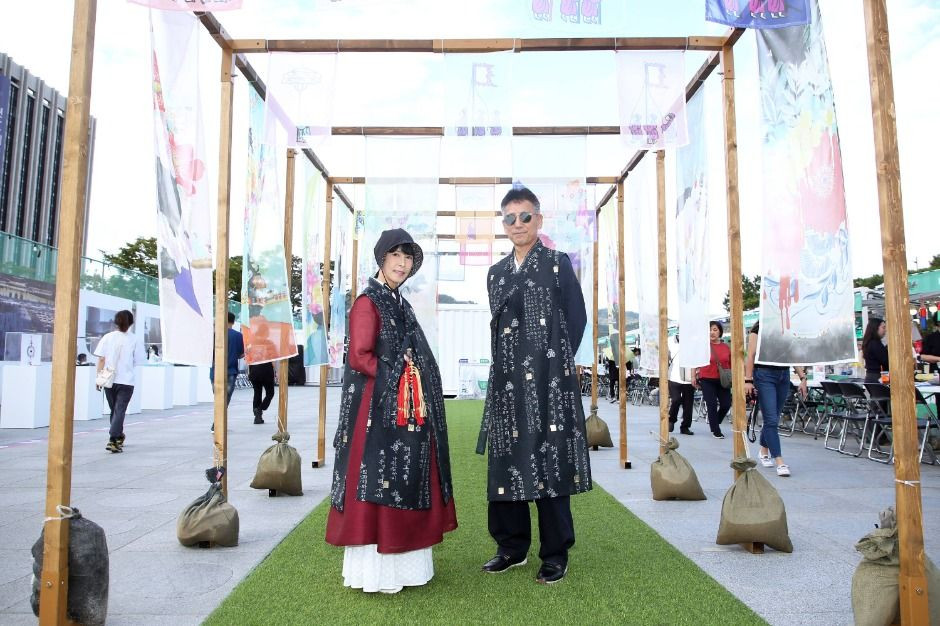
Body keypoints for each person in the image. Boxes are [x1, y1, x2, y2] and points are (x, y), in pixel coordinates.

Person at [326, 229, 456, 594]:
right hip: (378, 410)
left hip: (405, 409)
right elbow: (360, 356)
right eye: (395, 255)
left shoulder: (399, 303)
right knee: (380, 479)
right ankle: (377, 573)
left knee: (408, 477)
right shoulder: (368, 302)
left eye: (408, 257)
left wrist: (414, 382)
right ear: (382, 259)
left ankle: (406, 566)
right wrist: (401, 378)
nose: (402, 263)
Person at [478, 187, 591, 585]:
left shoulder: (558, 265)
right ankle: (511, 547)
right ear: (503, 224)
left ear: (538, 220)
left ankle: (555, 553)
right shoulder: (496, 274)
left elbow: (576, 318)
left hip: (549, 382)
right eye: (510, 218)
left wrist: (553, 364)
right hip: (507, 382)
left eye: (525, 216)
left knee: (550, 461)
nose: (518, 224)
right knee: (506, 460)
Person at [743, 321, 807, 478]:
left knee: (773, 418)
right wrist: (748, 380)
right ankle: (779, 460)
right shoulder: (757, 330)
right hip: (764, 374)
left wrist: (803, 377)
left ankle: (764, 450)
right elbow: (750, 355)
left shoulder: (785, 329)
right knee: (771, 419)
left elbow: (792, 354)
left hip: (783, 375)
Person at [94, 310, 146, 453]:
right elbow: (138, 360)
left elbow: (101, 359)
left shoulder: (107, 337)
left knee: (115, 410)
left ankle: (118, 436)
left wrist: (99, 378)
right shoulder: (135, 340)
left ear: (116, 322)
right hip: (126, 381)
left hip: (109, 379)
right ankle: (113, 439)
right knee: (119, 410)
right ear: (131, 323)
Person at [692, 321, 732, 439]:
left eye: (715, 330)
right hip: (707, 379)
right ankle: (715, 430)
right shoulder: (703, 346)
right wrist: (693, 376)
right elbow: (695, 362)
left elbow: (731, 364)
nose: (712, 332)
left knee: (726, 404)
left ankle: (715, 421)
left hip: (723, 380)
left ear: (720, 332)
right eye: (709, 330)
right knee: (712, 404)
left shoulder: (726, 347)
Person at [209, 312, 245, 432]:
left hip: (215, 371)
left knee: (218, 398)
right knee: (225, 399)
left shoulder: (214, 334)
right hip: (230, 371)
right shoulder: (238, 336)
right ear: (233, 322)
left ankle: (217, 424)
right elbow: (241, 354)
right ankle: (217, 424)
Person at [667, 336, 694, 435]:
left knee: (688, 404)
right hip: (674, 377)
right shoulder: (669, 340)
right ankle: (671, 419)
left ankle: (685, 427)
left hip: (689, 377)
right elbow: (666, 358)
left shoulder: (693, 340)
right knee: (676, 399)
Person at [861, 318, 889, 383]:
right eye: (883, 327)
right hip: (877, 378)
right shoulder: (875, 344)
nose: (885, 330)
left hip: (870, 377)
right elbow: (886, 361)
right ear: (875, 328)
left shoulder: (868, 343)